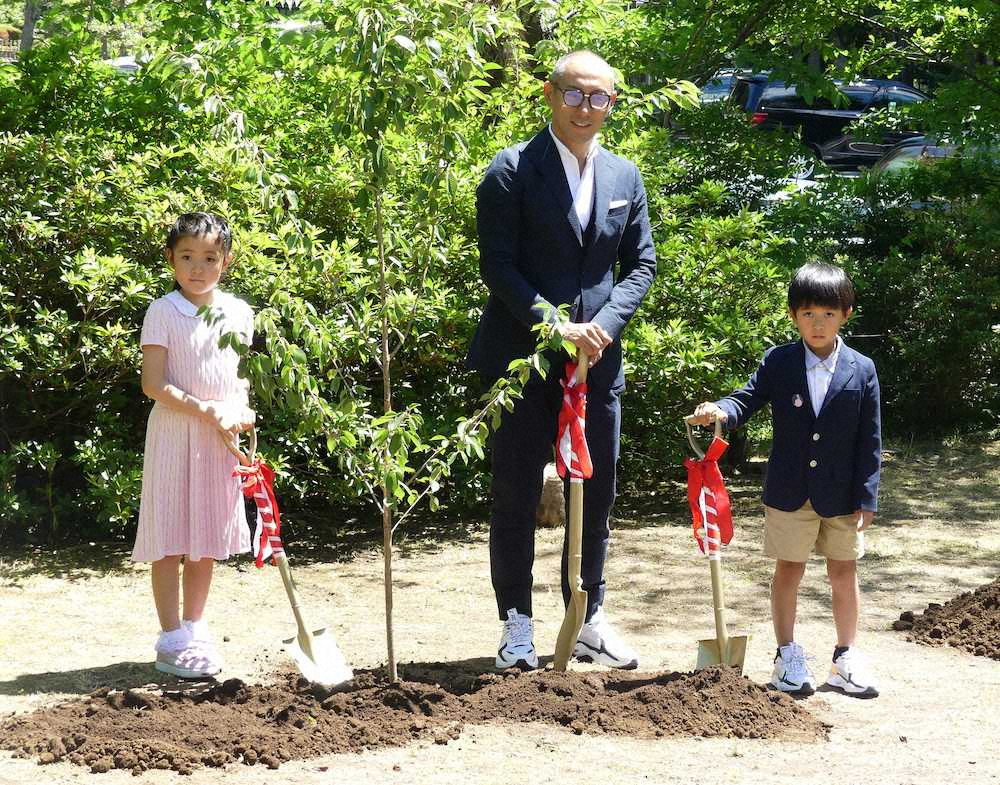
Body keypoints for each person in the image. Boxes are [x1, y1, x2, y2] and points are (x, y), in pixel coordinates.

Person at [467, 50, 656, 670]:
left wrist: (598, 328)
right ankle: (514, 623)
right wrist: (554, 325)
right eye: (574, 95)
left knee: (594, 494)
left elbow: (641, 266)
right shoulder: (510, 171)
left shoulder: (626, 177)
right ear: (551, 95)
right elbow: (498, 266)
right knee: (516, 493)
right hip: (523, 360)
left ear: (612, 104)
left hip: (597, 362)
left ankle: (589, 616)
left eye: (598, 97)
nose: (585, 108)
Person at [690, 261, 881, 698]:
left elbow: (871, 438)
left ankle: (845, 657)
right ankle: (787, 655)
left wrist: (867, 496)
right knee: (789, 570)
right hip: (789, 491)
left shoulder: (862, 368)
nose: (818, 323)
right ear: (794, 315)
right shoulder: (779, 361)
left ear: (846, 314)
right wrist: (721, 410)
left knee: (844, 573)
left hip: (842, 494)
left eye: (829, 314)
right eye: (808, 313)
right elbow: (747, 397)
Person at [133, 212, 256, 679]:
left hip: (217, 440)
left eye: (209, 258)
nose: (197, 268)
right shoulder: (163, 311)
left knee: (204, 537)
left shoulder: (239, 312)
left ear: (225, 262)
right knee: (168, 538)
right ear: (171, 259)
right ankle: (170, 640)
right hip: (173, 434)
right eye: (187, 257)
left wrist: (239, 411)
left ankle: (194, 626)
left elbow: (238, 376)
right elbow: (154, 385)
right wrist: (209, 410)